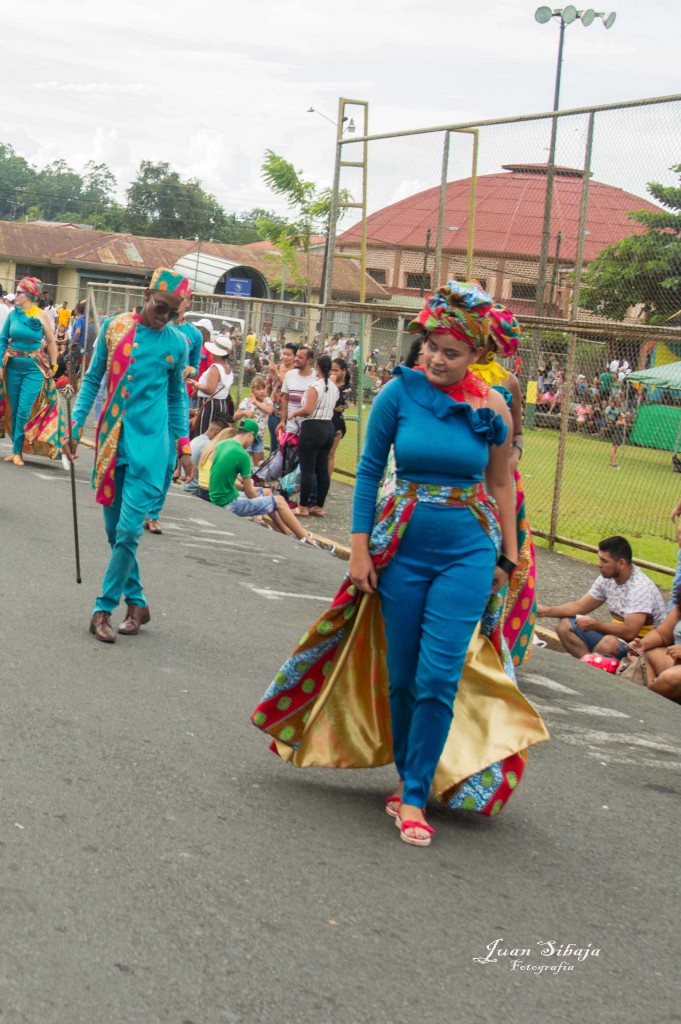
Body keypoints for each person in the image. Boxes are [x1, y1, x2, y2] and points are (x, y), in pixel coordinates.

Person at [252, 281, 548, 848]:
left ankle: (414, 794)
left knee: (441, 674)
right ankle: (409, 772)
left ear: (477, 357)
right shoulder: (398, 394)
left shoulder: (493, 408)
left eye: (452, 351)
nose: (436, 357)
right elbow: (366, 472)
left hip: (469, 550)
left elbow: (501, 483)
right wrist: (360, 547)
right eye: (431, 346)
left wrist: (507, 559)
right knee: (405, 676)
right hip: (401, 548)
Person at [63, 267, 195, 643]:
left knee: (128, 530)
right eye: (160, 306)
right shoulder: (115, 328)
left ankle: (102, 608)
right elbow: (92, 380)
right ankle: (137, 601)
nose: (164, 316)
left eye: (172, 312)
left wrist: (183, 447)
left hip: (152, 449)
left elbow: (176, 397)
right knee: (113, 531)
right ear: (149, 293)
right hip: (110, 444)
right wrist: (75, 428)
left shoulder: (176, 344)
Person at [469, 303, 537, 664]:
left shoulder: (507, 381)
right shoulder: (451, 372)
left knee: (511, 559)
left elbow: (519, 435)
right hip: (461, 481)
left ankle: (498, 642)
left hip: (499, 484)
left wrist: (510, 461)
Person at [536, 535, 666, 660]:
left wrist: (595, 625)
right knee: (564, 626)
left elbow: (630, 632)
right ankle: (588, 666)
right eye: (599, 559)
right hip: (618, 638)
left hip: (640, 647)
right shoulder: (607, 579)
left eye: (604, 561)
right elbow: (580, 606)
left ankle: (596, 672)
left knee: (608, 643)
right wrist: (544, 611)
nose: (599, 564)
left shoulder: (640, 588)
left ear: (621, 563)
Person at [144, 292, 204, 533]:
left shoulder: (192, 335)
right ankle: (137, 506)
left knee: (169, 462)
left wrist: (190, 370)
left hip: (176, 400)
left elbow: (196, 366)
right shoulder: (152, 330)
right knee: (147, 458)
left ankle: (154, 513)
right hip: (152, 402)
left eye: (183, 300)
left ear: (187, 303)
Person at [206, 419, 317, 543]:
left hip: (217, 497)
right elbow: (250, 494)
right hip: (229, 504)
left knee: (268, 493)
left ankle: (288, 533)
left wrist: (257, 492)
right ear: (250, 434)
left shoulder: (223, 444)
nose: (252, 443)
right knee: (279, 501)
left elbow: (223, 475)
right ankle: (307, 539)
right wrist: (257, 495)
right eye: (253, 439)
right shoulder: (242, 455)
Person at [0, 276, 62, 466]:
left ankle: (19, 450)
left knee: (24, 409)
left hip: (34, 368)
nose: (15, 295)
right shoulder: (12, 314)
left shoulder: (41, 315)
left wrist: (54, 365)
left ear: (28, 295)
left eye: (18, 292)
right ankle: (16, 451)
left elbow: (51, 342)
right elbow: (3, 339)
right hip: (12, 367)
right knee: (15, 407)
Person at [289, 354, 339, 518]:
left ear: (317, 367)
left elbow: (308, 409)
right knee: (322, 468)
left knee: (307, 469)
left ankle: (302, 506)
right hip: (328, 426)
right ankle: (318, 506)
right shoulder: (333, 387)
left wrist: (295, 412)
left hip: (312, 427)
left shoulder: (314, 386)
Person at [630, 594, 681, 703]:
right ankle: (648, 696)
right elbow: (662, 634)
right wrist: (642, 644)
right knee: (645, 654)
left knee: (672, 677)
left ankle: (650, 700)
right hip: (676, 660)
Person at [190, 335, 234, 437]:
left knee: (204, 434)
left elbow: (210, 389)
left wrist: (195, 384)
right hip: (220, 404)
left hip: (210, 406)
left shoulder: (215, 368)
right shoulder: (227, 368)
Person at [182, 415, 232, 496]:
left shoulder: (196, 439)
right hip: (196, 490)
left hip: (186, 486)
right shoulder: (208, 445)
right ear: (218, 432)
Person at [277, 345, 316, 447]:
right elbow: (285, 399)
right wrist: (282, 420)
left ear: (309, 360)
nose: (296, 359)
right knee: (287, 457)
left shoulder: (316, 378)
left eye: (300, 357)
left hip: (309, 428)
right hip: (291, 427)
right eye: (296, 356)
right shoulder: (290, 375)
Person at [234, 375, 273, 466]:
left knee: (259, 466)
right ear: (252, 391)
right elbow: (235, 417)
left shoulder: (267, 401)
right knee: (243, 463)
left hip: (259, 436)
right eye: (258, 389)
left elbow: (269, 411)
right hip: (246, 435)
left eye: (264, 388)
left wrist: (256, 402)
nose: (262, 391)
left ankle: (255, 479)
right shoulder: (247, 401)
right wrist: (244, 413)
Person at [266, 342, 297, 452]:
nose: (285, 357)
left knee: (286, 445)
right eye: (284, 354)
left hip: (289, 414)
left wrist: (277, 374)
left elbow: (289, 389)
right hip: (274, 411)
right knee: (275, 444)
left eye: (289, 355)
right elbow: (268, 387)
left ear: (295, 357)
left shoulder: (296, 372)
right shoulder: (276, 367)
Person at [328, 357, 350, 477]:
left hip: (336, 423)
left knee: (330, 454)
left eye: (336, 370)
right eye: (332, 370)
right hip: (324, 420)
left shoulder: (347, 387)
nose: (334, 373)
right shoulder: (327, 382)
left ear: (343, 371)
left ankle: (326, 480)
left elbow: (341, 404)